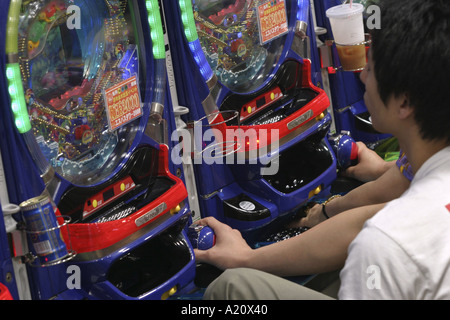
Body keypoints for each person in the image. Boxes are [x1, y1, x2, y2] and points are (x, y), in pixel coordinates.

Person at [195, 0, 450, 299]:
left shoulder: (384, 244)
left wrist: (246, 260)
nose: (362, 76)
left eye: (371, 66)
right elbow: (372, 216)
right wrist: (378, 173)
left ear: (404, 102)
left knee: (229, 288)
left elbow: (376, 228)